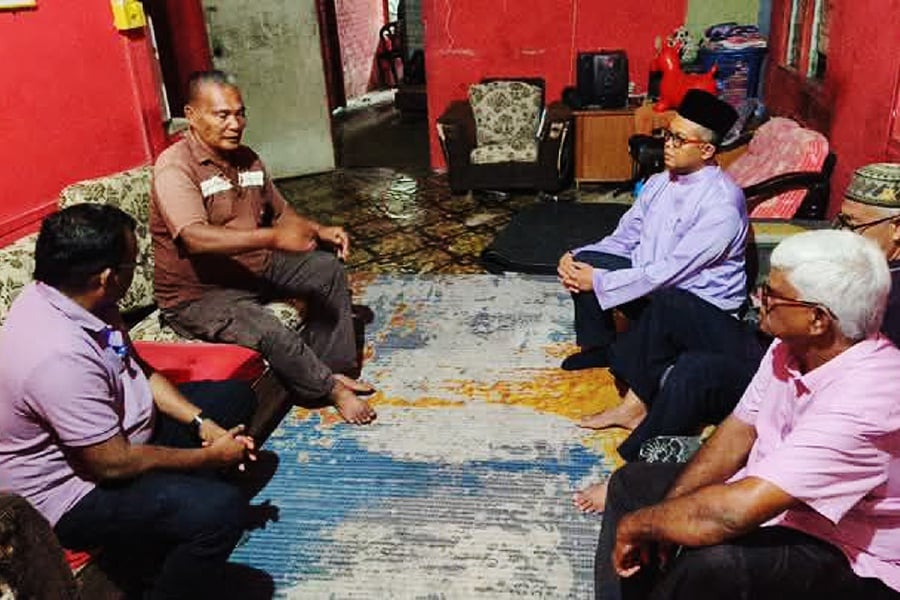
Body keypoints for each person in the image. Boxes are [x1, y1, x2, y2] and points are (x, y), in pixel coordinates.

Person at [574, 162, 900, 514]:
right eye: (841, 220)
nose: (843, 232)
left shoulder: (891, 294)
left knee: (696, 370)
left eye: (852, 224)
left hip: (797, 364)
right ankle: (633, 405)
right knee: (673, 303)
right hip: (777, 342)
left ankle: (634, 472)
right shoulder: (858, 258)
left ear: (897, 228)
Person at [594, 229, 900, 600]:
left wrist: (641, 526)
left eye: (771, 294)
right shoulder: (788, 347)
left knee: (715, 564)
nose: (758, 299)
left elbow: (733, 513)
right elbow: (737, 431)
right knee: (633, 485)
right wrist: (664, 515)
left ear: (818, 318)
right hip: (778, 504)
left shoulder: (868, 399)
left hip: (849, 550)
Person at [0, 204, 259, 599]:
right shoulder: (57, 358)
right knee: (221, 511)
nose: (139, 271)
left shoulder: (82, 300)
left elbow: (133, 365)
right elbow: (112, 463)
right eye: (133, 264)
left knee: (233, 399)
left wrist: (202, 424)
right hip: (73, 492)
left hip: (121, 432)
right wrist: (210, 457)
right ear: (107, 277)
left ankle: (168, 531)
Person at [150, 70, 376, 425]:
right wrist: (271, 238)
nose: (235, 124)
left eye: (240, 113)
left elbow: (282, 213)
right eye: (222, 115)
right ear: (191, 115)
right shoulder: (175, 167)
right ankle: (330, 390)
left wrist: (319, 230)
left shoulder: (248, 159)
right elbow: (194, 237)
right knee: (269, 329)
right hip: (199, 295)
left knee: (326, 269)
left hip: (252, 268)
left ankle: (332, 369)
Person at [558, 89, 747, 371]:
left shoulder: (721, 205)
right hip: (656, 281)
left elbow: (673, 271)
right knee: (582, 263)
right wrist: (575, 255)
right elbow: (624, 238)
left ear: (707, 150)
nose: (668, 145)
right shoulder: (659, 182)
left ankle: (646, 352)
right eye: (668, 135)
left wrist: (600, 282)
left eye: (679, 140)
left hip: (698, 306)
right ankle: (600, 347)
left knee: (631, 362)